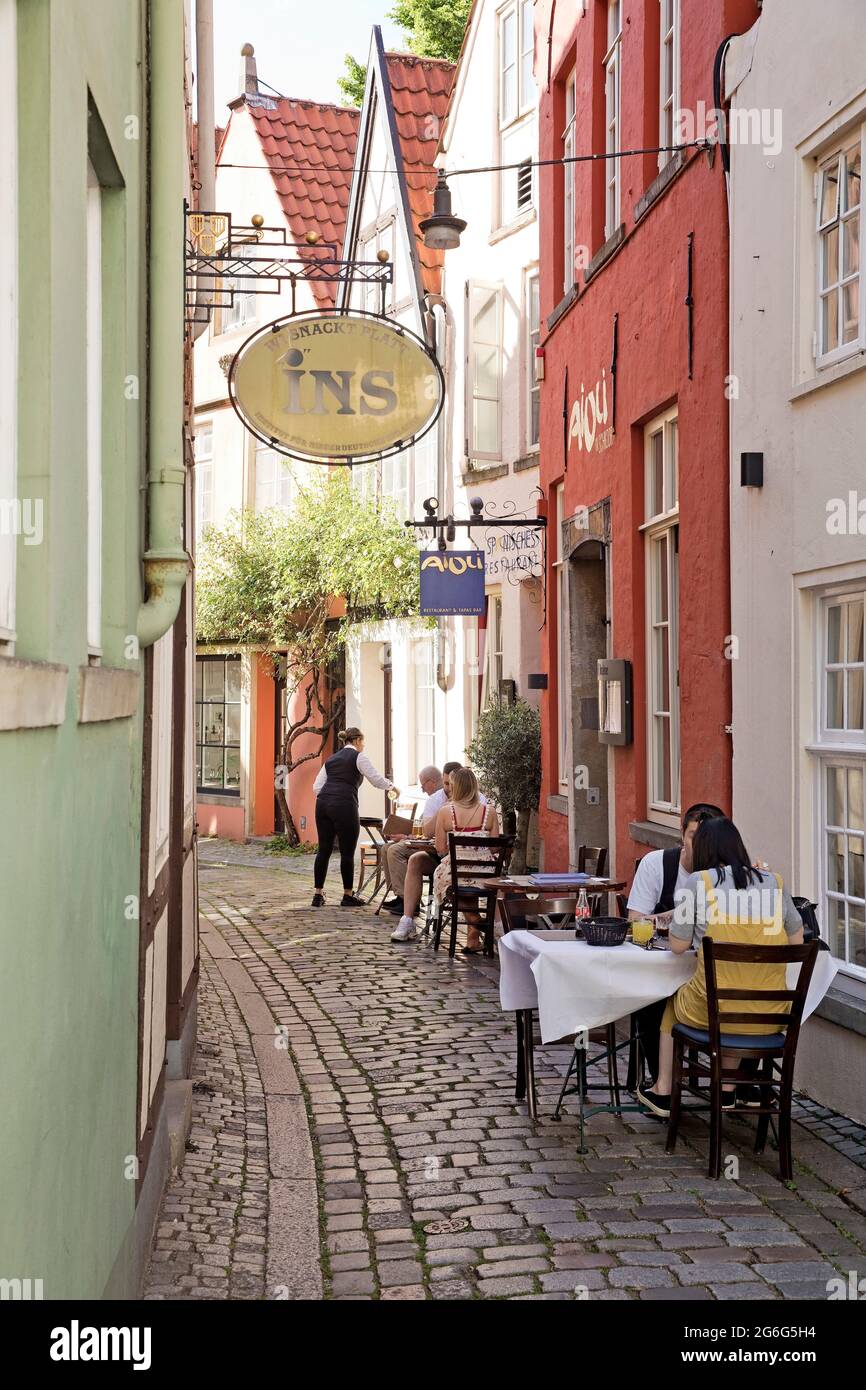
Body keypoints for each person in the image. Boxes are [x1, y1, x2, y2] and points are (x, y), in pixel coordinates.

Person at [636, 816, 804, 1119]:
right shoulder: (774, 882)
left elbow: (676, 946)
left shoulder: (698, 882)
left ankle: (662, 1090)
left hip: (713, 1013)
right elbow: (796, 942)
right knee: (734, 1000)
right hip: (771, 1016)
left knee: (672, 1005)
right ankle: (726, 1090)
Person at [626, 802, 726, 1082]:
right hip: (664, 969)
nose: (700, 844)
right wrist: (682, 912)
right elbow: (636, 924)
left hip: (712, 974)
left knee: (741, 999)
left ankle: (734, 1084)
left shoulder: (727, 875)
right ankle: (663, 1080)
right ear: (682, 835)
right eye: (695, 835)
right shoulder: (657, 864)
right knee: (651, 1003)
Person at [391, 767, 500, 947]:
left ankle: (475, 920)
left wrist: (457, 847)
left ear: (456, 787)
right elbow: (495, 848)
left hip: (456, 874)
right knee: (460, 877)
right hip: (485, 874)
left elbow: (440, 849)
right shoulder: (490, 812)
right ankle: (480, 929)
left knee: (448, 880)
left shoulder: (446, 812)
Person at [311, 728, 398, 909]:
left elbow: (317, 787)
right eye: (363, 742)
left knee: (324, 850)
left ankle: (317, 895)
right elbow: (375, 779)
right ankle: (347, 895)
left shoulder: (331, 759)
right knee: (347, 852)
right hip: (344, 805)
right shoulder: (359, 757)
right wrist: (392, 787)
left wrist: (329, 797)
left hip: (323, 804)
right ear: (357, 740)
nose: (363, 746)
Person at [381, 760, 465, 915]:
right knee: (388, 848)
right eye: (447, 784)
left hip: (456, 857)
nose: (450, 789)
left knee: (395, 851)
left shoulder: (477, 803)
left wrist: (407, 836)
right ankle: (404, 899)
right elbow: (427, 832)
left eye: (451, 784)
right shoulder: (435, 800)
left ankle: (406, 901)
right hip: (434, 849)